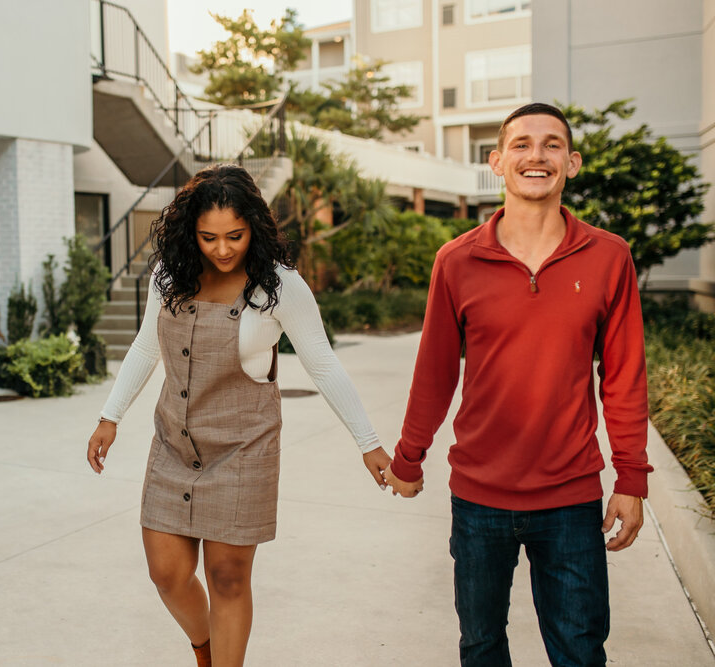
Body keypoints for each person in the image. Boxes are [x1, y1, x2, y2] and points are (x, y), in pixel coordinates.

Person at [86, 163, 391, 666]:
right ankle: (205, 648)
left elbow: (322, 362)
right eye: (209, 237)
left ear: (255, 227)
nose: (223, 249)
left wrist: (368, 441)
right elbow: (145, 347)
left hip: (244, 448)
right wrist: (109, 416)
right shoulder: (168, 276)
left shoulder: (279, 286)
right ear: (191, 232)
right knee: (167, 574)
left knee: (227, 578)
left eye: (235, 236)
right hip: (174, 444)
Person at [383, 103, 652, 666]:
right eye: (523, 144)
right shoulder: (457, 261)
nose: (537, 155)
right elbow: (435, 371)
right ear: (497, 161)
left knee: (580, 652)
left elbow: (624, 377)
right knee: (481, 648)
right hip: (479, 496)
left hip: (572, 497)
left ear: (572, 163)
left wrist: (631, 476)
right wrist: (409, 458)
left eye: (552, 145)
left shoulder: (608, 257)